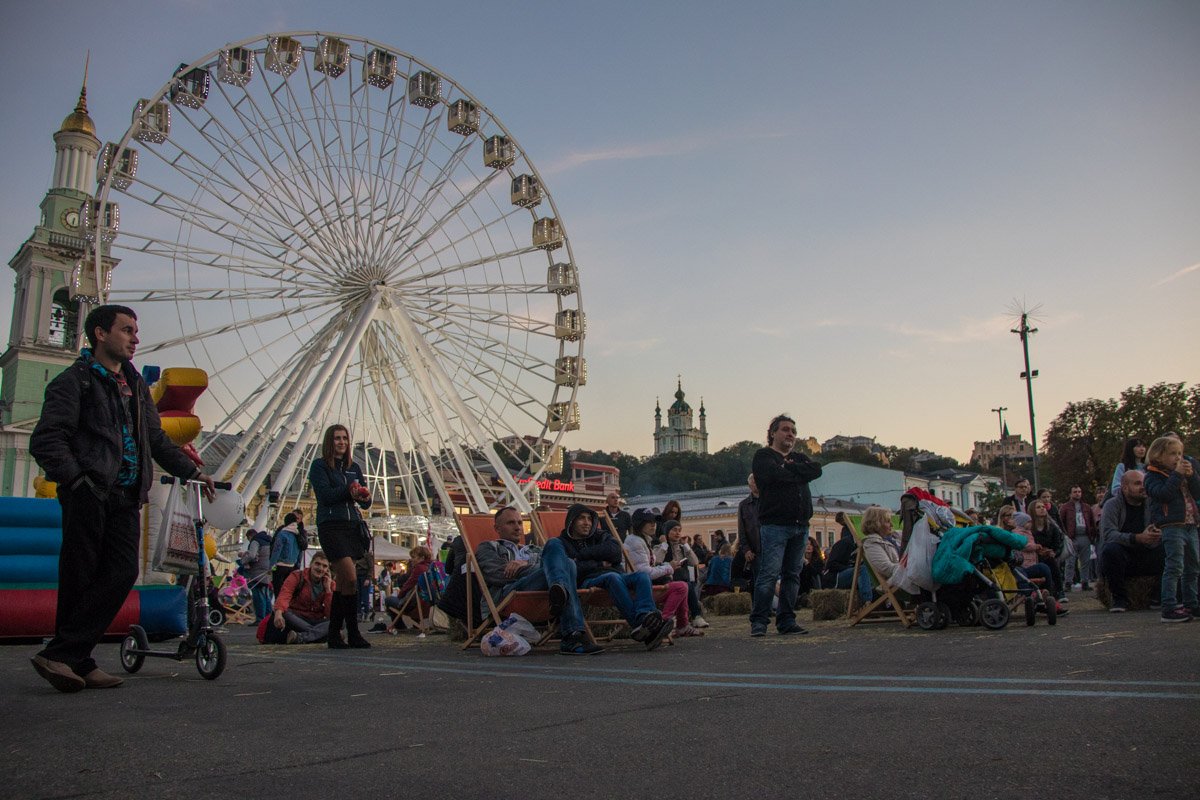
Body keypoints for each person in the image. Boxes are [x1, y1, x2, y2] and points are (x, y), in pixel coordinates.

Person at [28, 304, 216, 693]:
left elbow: (156, 439)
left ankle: (68, 654)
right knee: (80, 576)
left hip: (128, 494)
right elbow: (47, 439)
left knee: (120, 573)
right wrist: (77, 480)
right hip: (90, 492)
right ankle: (75, 658)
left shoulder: (134, 387)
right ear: (100, 334)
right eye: (126, 330)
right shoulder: (73, 382)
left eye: (135, 331)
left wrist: (191, 470)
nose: (135, 338)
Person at [494, 504, 673, 655]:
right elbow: (568, 567)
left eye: (589, 518)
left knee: (641, 575)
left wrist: (581, 557)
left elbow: (615, 552)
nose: (587, 523)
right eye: (581, 518)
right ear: (571, 521)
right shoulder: (558, 543)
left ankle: (645, 620)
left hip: (594, 577)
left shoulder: (597, 536)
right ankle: (639, 626)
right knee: (599, 572)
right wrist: (597, 562)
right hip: (588, 580)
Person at [749, 414, 823, 637]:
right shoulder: (763, 456)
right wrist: (797, 473)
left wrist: (789, 471)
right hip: (775, 525)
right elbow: (771, 475)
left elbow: (817, 470)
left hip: (800, 525)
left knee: (793, 574)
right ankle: (760, 621)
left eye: (793, 430)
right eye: (785, 429)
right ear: (773, 433)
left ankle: (787, 620)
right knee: (769, 573)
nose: (790, 434)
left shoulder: (799, 457)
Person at [308, 423, 373, 648]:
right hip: (331, 526)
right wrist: (349, 490)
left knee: (344, 582)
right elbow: (325, 495)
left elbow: (365, 502)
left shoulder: (354, 467)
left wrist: (364, 496)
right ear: (329, 441)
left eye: (345, 438)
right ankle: (353, 631)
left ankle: (335, 634)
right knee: (351, 577)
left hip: (351, 526)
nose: (342, 442)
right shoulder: (319, 467)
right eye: (337, 438)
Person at [1143, 436, 1200, 622]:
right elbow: (1163, 494)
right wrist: (1176, 475)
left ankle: (1191, 603)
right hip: (1172, 525)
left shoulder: (1182, 474)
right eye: (1173, 454)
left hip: (1190, 524)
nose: (1178, 457)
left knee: (1193, 567)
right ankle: (1168, 607)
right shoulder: (1152, 475)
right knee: (1175, 566)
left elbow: (1197, 492)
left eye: (1180, 454)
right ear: (1159, 456)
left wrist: (1192, 476)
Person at [626, 509, 701, 637]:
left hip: (655, 582)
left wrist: (686, 546)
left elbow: (695, 562)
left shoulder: (644, 540)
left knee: (683, 585)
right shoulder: (638, 542)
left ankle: (683, 625)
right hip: (642, 589)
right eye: (649, 522)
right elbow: (646, 572)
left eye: (654, 522)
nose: (653, 524)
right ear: (639, 524)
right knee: (681, 587)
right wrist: (668, 565)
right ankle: (662, 623)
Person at [1098, 470, 1164, 612]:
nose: (1143, 487)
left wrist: (1156, 534)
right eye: (1137, 483)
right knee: (1110, 550)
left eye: (1144, 483)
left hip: (1147, 554)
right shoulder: (1112, 505)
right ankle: (1119, 598)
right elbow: (1108, 535)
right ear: (1125, 487)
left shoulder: (1152, 504)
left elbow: (1162, 525)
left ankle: (1158, 596)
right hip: (1124, 558)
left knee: (1169, 547)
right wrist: (1137, 538)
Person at [271, 550, 335, 644]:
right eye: (317, 564)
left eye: (324, 566)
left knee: (340, 620)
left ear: (328, 570)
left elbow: (331, 613)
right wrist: (278, 613)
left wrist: (328, 590)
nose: (320, 568)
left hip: (316, 619)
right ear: (311, 564)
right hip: (297, 617)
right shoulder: (297, 576)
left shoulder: (330, 584)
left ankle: (301, 637)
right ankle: (323, 635)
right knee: (285, 613)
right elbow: (285, 594)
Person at [654, 519, 708, 627]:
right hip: (667, 579)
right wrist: (664, 545)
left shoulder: (682, 548)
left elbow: (695, 562)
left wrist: (686, 545)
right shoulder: (659, 547)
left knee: (688, 584)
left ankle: (693, 617)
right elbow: (656, 561)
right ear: (667, 532)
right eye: (674, 530)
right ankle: (693, 616)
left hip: (682, 579)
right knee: (687, 585)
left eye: (679, 530)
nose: (678, 533)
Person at [1058, 486, 1098, 591]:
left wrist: (1092, 535)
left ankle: (1085, 581)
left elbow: (1091, 522)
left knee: (1085, 561)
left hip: (1085, 536)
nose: (1077, 494)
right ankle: (1068, 582)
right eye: (1075, 492)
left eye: (1079, 491)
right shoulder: (1065, 507)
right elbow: (1061, 522)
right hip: (1072, 537)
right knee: (1070, 562)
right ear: (1070, 494)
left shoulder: (1086, 507)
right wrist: (1064, 535)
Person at [1029, 499, 1067, 600]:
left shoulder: (1052, 527)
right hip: (1034, 555)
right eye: (1038, 507)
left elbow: (1058, 544)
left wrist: (1053, 552)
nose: (1042, 509)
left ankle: (1059, 591)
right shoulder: (1029, 528)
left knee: (1052, 563)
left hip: (1049, 555)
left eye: (1043, 507)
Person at [240, 528, 274, 622]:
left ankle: (260, 619)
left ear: (250, 536)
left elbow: (252, 555)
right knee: (266, 595)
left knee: (258, 596)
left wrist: (243, 560)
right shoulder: (268, 540)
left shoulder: (255, 541)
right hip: (267, 571)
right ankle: (269, 618)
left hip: (257, 572)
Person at [269, 512, 304, 595]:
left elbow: (276, 551)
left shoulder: (282, 533)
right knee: (287, 591)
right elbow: (299, 551)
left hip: (280, 566)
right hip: (292, 566)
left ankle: (278, 607)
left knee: (278, 591)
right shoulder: (298, 534)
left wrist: (271, 566)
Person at [822, 513, 856, 588]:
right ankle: (868, 599)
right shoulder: (845, 542)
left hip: (843, 573)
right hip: (834, 578)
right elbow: (831, 564)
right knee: (861, 570)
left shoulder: (853, 543)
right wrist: (849, 568)